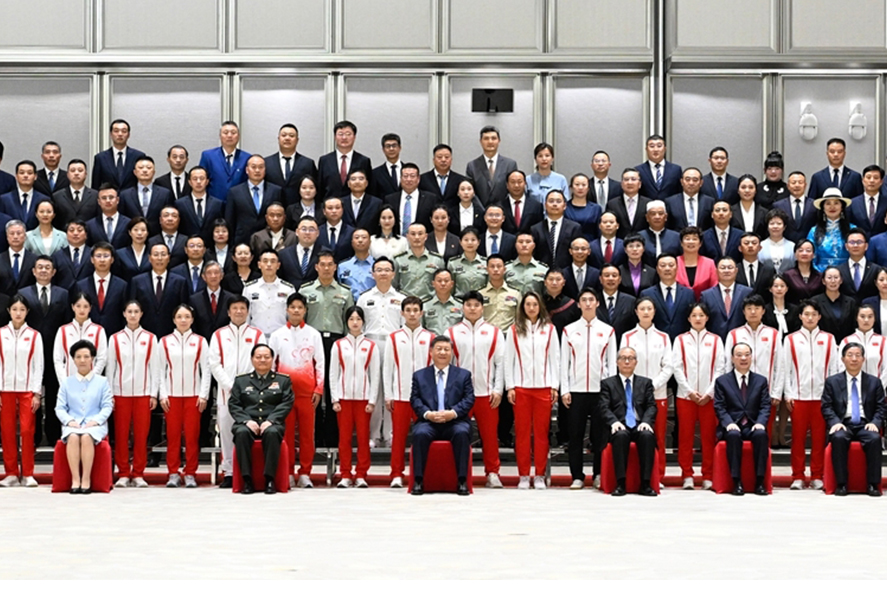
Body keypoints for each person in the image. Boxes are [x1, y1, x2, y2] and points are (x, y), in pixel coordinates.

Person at [447, 291, 505, 488]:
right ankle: (459, 472)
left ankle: (493, 472)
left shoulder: (494, 332)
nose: (472, 308)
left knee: (490, 436)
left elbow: (500, 363)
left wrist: (498, 389)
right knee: (458, 435)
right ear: (462, 307)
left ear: (482, 308)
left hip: (486, 394)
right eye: (468, 305)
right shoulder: (451, 333)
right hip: (460, 396)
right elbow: (446, 364)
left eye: (476, 305)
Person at [560, 288, 617, 490]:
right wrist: (564, 389)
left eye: (591, 299)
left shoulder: (608, 331)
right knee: (575, 435)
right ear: (578, 304)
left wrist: (611, 391)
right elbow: (564, 362)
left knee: (600, 436)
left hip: (600, 391)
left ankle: (599, 473)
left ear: (597, 303)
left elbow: (612, 363)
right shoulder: (569, 330)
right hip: (576, 391)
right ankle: (577, 475)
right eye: (583, 300)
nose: (587, 303)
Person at [504, 291, 560, 490]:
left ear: (540, 307)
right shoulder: (514, 330)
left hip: (543, 388)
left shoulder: (550, 329)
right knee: (522, 433)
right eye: (527, 304)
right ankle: (523, 475)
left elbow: (555, 359)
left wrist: (554, 385)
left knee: (541, 434)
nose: (531, 308)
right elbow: (508, 360)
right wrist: (510, 386)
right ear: (522, 307)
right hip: (521, 388)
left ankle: (539, 475)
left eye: (534, 304)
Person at [268, 293, 324, 489]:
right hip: (284, 395)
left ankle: (305, 472)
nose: (296, 311)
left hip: (307, 393)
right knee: (287, 435)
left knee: (308, 435)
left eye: (300, 307)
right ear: (287, 310)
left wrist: (318, 389)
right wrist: (273, 390)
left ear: (305, 311)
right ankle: (288, 471)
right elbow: (271, 365)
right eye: (293, 307)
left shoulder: (313, 334)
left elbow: (320, 364)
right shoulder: (277, 335)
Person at [208, 296, 264, 488]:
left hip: (252, 394)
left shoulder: (257, 335)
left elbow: (261, 361)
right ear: (228, 312)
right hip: (226, 394)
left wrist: (249, 386)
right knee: (226, 433)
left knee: (250, 432)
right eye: (235, 308)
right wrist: (230, 386)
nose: (239, 311)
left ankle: (249, 472)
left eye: (242, 308)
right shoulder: (218, 335)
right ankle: (229, 472)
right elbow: (214, 364)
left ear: (248, 311)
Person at [784, 299, 839, 490]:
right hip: (798, 397)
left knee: (819, 439)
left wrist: (832, 396)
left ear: (819, 317)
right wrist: (788, 393)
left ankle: (817, 475)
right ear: (800, 316)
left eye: (814, 314)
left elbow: (834, 369)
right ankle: (798, 476)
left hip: (822, 398)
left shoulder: (829, 339)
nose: (810, 318)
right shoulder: (790, 339)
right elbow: (785, 369)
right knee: (798, 439)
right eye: (806, 314)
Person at [409, 335, 473, 496]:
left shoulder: (463, 375)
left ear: (452, 353)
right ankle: (418, 480)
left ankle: (462, 480)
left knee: (462, 432)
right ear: (431, 352)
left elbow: (469, 399)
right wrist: (428, 414)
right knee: (420, 433)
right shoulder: (419, 375)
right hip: (429, 421)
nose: (442, 352)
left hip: (455, 421)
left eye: (446, 349)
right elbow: (415, 399)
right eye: (439, 349)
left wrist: (453, 413)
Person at [105, 300, 160, 488]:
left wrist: (153, 394)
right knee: (121, 435)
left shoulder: (151, 338)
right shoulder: (115, 339)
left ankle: (138, 473)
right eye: (129, 311)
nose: (133, 315)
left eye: (136, 311)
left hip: (143, 394)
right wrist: (110, 394)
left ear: (142, 314)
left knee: (141, 435)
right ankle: (122, 473)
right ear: (124, 314)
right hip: (120, 393)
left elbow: (155, 368)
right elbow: (110, 368)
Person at [228, 343, 294, 494]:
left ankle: (270, 479)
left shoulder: (283, 380)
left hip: (272, 422)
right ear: (252, 359)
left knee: (272, 433)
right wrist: (246, 421)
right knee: (241, 433)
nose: (262, 360)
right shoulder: (241, 381)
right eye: (258, 357)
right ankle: (247, 480)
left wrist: (271, 420)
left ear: (272, 359)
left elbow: (286, 403)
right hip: (247, 422)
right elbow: (234, 404)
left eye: (266, 357)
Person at [821, 342, 886, 496]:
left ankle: (872, 484)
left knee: (874, 439)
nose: (854, 359)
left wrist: (875, 422)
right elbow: (826, 406)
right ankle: (842, 484)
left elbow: (881, 407)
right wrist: (835, 422)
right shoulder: (832, 381)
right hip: (843, 423)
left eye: (858, 355)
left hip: (865, 423)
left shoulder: (874, 382)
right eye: (850, 355)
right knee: (838, 438)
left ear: (863, 359)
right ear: (843, 359)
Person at [672, 302, 725, 490]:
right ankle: (687, 474)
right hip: (685, 397)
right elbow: (676, 367)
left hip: (709, 398)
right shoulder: (680, 340)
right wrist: (689, 391)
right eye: (694, 315)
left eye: (701, 315)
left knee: (708, 438)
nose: (697, 318)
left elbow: (720, 368)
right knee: (685, 437)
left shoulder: (716, 340)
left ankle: (708, 475)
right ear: (688, 318)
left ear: (707, 318)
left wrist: (710, 392)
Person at [383, 296, 434, 487]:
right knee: (398, 437)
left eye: (415, 310)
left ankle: (423, 472)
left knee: (425, 436)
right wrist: (388, 394)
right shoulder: (393, 338)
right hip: (400, 395)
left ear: (422, 313)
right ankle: (396, 473)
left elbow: (435, 369)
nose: (412, 314)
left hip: (424, 399)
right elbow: (387, 368)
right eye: (408, 310)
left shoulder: (430, 338)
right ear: (402, 313)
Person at [621, 296, 673, 484]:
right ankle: (634, 475)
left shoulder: (663, 337)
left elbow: (668, 366)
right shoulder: (627, 337)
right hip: (632, 396)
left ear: (654, 312)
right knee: (634, 436)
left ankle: (657, 476)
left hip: (658, 395)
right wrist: (638, 388)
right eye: (642, 308)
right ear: (636, 312)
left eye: (649, 308)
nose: (645, 312)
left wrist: (652, 386)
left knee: (658, 437)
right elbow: (624, 364)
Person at [159, 304, 211, 488]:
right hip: (171, 396)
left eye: (187, 316)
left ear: (192, 319)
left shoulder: (200, 341)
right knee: (172, 436)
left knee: (191, 436)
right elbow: (160, 370)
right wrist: (162, 394)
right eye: (179, 316)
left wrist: (203, 395)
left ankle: (190, 473)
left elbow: (206, 370)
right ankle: (173, 473)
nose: (183, 320)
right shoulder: (165, 342)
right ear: (174, 319)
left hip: (193, 396)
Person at [357, 257, 406, 448]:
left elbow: (404, 326)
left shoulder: (401, 299)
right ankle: (374, 434)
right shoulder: (364, 298)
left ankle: (390, 433)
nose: (383, 273)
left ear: (393, 273)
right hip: (371, 344)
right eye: (379, 270)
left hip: (394, 344)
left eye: (387, 270)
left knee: (392, 388)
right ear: (373, 274)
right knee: (373, 390)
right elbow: (359, 325)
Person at [54, 340, 114, 494]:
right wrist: (69, 421)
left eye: (86, 356)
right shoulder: (66, 383)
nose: (82, 360)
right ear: (73, 360)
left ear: (92, 359)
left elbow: (107, 406)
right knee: (73, 437)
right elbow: (60, 408)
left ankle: (86, 479)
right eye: (78, 357)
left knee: (87, 437)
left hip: (95, 424)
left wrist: (96, 420)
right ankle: (75, 479)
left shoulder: (102, 382)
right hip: (73, 423)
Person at [330, 306, 380, 488]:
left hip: (363, 399)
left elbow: (375, 375)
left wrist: (372, 400)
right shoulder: (339, 345)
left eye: (358, 319)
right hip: (343, 399)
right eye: (351, 319)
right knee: (344, 439)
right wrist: (335, 398)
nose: (355, 322)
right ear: (346, 322)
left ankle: (361, 474)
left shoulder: (371, 346)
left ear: (363, 321)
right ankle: (345, 473)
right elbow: (333, 373)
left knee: (363, 438)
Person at [713, 342, 771, 496]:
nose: (743, 358)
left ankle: (760, 482)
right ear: (732, 358)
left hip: (753, 425)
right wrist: (728, 423)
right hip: (733, 425)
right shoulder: (722, 381)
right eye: (739, 355)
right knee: (733, 435)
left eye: (747, 355)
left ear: (752, 357)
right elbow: (719, 407)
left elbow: (765, 405)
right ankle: (736, 481)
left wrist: (760, 423)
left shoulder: (761, 381)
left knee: (761, 435)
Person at [599, 347, 658, 496]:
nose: (627, 361)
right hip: (619, 425)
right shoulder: (608, 383)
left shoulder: (645, 383)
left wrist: (646, 421)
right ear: (617, 362)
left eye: (630, 358)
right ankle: (620, 483)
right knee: (621, 436)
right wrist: (613, 422)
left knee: (647, 436)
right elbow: (603, 407)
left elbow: (651, 406)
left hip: (639, 424)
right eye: (623, 358)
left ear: (636, 362)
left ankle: (645, 484)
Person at [724, 295, 784, 439]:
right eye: (749, 308)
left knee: (764, 433)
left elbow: (780, 364)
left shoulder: (773, 334)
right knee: (737, 434)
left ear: (763, 311)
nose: (753, 312)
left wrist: (776, 392)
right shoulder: (734, 334)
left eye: (757, 308)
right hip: (739, 394)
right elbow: (727, 365)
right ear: (743, 312)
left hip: (766, 393)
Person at [0, 296, 44, 487]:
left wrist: (36, 392)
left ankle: (27, 473)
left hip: (27, 391)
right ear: (8, 311)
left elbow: (38, 365)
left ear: (27, 312)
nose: (18, 313)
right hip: (5, 390)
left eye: (22, 309)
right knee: (7, 431)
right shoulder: (1, 334)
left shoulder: (34, 335)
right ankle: (11, 473)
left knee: (27, 431)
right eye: (15, 309)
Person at [128, 242, 189, 338]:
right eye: (156, 254)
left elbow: (183, 309)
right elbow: (132, 307)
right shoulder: (137, 281)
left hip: (171, 334)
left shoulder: (180, 282)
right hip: (144, 333)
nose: (159, 258)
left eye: (163, 254)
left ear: (168, 258)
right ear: (149, 258)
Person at [224, 154, 283, 246]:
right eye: (253, 167)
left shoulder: (276, 191)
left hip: (268, 241)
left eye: (261, 167)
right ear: (247, 170)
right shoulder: (234, 192)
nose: (257, 170)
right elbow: (230, 221)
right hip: (242, 242)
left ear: (265, 170)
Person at [53, 293, 108, 383]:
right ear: (72, 307)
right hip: (69, 382)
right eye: (78, 306)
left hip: (91, 383)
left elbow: (102, 359)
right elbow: (58, 359)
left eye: (85, 306)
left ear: (90, 308)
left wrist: (92, 380)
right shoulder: (63, 330)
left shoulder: (99, 330)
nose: (82, 310)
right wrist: (64, 382)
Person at [640, 253, 696, 341]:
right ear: (657, 269)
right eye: (663, 265)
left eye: (671, 265)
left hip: (683, 341)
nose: (667, 269)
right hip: (656, 342)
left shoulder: (688, 293)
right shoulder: (647, 294)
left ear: (677, 268)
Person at [263, 123, 318, 208]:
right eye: (284, 135)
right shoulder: (266, 162)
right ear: (278, 138)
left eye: (291, 136)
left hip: (299, 211)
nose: (287, 138)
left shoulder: (308, 163)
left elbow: (316, 189)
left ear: (297, 140)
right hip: (273, 211)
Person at [242, 249, 295, 336]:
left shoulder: (288, 289)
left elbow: (292, 316)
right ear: (259, 265)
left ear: (278, 265)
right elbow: (246, 315)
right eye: (265, 261)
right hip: (256, 336)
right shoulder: (249, 288)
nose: (269, 264)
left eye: (273, 261)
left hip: (282, 336)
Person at [317, 120, 373, 201]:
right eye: (340, 134)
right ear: (335, 137)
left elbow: (369, 188)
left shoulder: (364, 161)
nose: (344, 137)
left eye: (348, 134)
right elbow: (320, 188)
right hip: (331, 205)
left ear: (354, 137)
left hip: (355, 205)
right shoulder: (324, 160)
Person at [699, 257, 752, 341]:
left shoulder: (747, 292)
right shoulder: (706, 295)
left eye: (730, 267)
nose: (726, 271)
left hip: (742, 340)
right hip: (714, 341)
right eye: (723, 268)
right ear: (716, 271)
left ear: (736, 270)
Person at [118, 155, 174, 234]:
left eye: (148, 168)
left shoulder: (165, 194)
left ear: (154, 172)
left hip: (157, 236)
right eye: (141, 168)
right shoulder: (125, 195)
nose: (144, 170)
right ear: (135, 172)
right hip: (133, 236)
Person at [199, 120, 251, 202]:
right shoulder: (208, 156)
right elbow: (201, 180)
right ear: (220, 136)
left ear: (239, 136)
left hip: (239, 203)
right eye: (225, 133)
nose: (229, 136)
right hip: (214, 204)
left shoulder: (247, 158)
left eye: (233, 133)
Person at [466, 126, 518, 207]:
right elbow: (470, 192)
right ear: (480, 141)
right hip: (480, 211)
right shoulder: (472, 166)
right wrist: (482, 210)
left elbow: (513, 190)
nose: (490, 142)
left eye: (493, 138)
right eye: (486, 138)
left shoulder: (510, 164)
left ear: (499, 141)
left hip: (504, 211)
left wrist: (500, 209)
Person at [530, 189, 582, 270]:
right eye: (551, 201)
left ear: (564, 206)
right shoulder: (535, 229)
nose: (554, 204)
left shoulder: (574, 228)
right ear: (545, 205)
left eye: (558, 201)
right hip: (541, 272)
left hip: (566, 272)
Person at [393, 223, 443, 301]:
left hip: (429, 302)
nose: (416, 237)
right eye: (413, 234)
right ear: (407, 237)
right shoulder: (398, 260)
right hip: (405, 302)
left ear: (426, 236)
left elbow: (442, 285)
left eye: (420, 234)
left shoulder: (437, 260)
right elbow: (393, 285)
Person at [808, 187, 854, 272]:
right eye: (828, 203)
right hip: (821, 273)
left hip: (847, 272)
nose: (832, 207)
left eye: (836, 203)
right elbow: (810, 256)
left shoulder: (852, 229)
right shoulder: (814, 231)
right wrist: (819, 274)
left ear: (842, 207)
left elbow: (857, 255)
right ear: (823, 208)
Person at [175, 166, 224, 246]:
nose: (198, 182)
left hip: (210, 247)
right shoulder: (180, 204)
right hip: (188, 247)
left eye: (202, 178)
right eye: (195, 179)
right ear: (189, 182)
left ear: (207, 181)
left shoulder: (218, 204)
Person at [91, 119, 144, 191]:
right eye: (116, 131)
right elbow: (95, 186)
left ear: (128, 135)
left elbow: (143, 182)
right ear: (111, 134)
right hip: (109, 197)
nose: (120, 134)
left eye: (124, 131)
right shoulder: (100, 158)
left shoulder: (138, 156)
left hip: (132, 197)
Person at [839, 304, 887, 384]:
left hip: (878, 388)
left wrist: (878, 386)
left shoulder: (883, 341)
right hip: (852, 387)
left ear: (875, 319)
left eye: (870, 316)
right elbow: (841, 367)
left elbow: (886, 369)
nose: (866, 320)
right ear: (856, 318)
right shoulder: (846, 341)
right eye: (862, 316)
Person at [811, 266, 856, 342]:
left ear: (841, 280)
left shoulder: (851, 302)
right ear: (823, 281)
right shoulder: (815, 301)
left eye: (836, 277)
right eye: (829, 278)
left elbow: (853, 326)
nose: (833, 281)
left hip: (846, 344)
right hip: (822, 343)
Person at [52, 159, 98, 231]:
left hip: (90, 235)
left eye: (80, 170)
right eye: (73, 170)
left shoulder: (95, 195)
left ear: (86, 174)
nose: (76, 173)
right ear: (67, 174)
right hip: (64, 235)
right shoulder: (57, 196)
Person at [665, 167, 715, 232]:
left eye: (695, 180)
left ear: (701, 183)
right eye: (687, 179)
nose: (691, 183)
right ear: (681, 182)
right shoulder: (670, 202)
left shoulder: (709, 202)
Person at [420, 144, 469, 209]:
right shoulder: (422, 179)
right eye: (439, 157)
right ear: (433, 160)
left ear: (451, 160)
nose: (443, 160)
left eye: (447, 157)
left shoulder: (461, 180)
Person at [635, 135, 682, 201]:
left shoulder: (676, 170)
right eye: (652, 146)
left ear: (665, 149)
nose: (655, 149)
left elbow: (680, 193)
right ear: (646, 149)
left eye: (659, 146)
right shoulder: (638, 170)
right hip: (646, 206)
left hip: (669, 206)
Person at [838, 229, 881, 301]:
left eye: (859, 242)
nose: (855, 245)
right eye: (852, 242)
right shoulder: (839, 270)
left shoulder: (876, 270)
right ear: (846, 246)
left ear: (866, 246)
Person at [676, 226, 718, 299]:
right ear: (681, 243)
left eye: (694, 239)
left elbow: (714, 288)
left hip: (704, 304)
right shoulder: (674, 262)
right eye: (687, 239)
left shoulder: (709, 263)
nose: (691, 242)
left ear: (700, 243)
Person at [86, 184, 131, 250]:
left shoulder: (128, 223)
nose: (108, 201)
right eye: (104, 198)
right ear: (99, 201)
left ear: (117, 200)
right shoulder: (90, 225)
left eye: (111, 197)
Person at [607, 168, 650, 238]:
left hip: (643, 242)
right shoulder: (612, 204)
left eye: (633, 179)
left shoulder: (648, 203)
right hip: (620, 243)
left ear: (639, 184)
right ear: (621, 184)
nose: (630, 182)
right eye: (626, 179)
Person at [845, 164, 886, 237]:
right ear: (863, 180)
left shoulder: (885, 202)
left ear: (881, 182)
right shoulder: (852, 203)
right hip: (859, 242)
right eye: (868, 177)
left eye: (876, 178)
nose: (872, 181)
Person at [500, 170, 544, 234]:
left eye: (519, 182)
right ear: (507, 185)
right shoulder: (500, 206)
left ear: (525, 184)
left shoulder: (536, 206)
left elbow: (539, 230)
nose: (516, 185)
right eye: (513, 182)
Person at [337, 228, 375, 301]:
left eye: (364, 237)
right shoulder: (342, 266)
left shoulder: (377, 265)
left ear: (370, 242)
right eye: (357, 238)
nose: (360, 240)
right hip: (349, 304)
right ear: (352, 242)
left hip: (371, 303)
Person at [447, 227, 487, 295]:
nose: (469, 243)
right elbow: (450, 289)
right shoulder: (453, 263)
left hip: (481, 300)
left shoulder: (486, 263)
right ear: (460, 242)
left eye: (473, 240)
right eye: (466, 240)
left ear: (479, 242)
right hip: (460, 300)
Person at [341, 169, 383, 234]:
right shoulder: (340, 202)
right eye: (353, 179)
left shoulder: (377, 203)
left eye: (361, 179)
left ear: (366, 183)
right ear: (348, 184)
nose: (357, 182)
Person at [423, 269, 462, 336]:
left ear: (452, 284)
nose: (443, 283)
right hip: (432, 341)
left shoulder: (460, 306)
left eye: (446, 281)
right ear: (433, 284)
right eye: (439, 281)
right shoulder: (425, 306)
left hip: (453, 341)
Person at [735, 232, 775, 298]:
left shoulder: (769, 270)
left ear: (760, 248)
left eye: (754, 243)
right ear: (740, 248)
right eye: (746, 243)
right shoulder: (734, 270)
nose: (750, 246)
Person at [565, 173, 602, 242]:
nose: (580, 188)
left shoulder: (596, 208)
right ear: (571, 187)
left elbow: (599, 231)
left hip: (591, 244)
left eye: (584, 185)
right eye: (577, 184)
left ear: (588, 188)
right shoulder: (564, 207)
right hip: (569, 244)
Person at [316, 198, 355, 263]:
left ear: (342, 210)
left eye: (337, 208)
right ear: (324, 211)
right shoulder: (317, 231)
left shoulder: (352, 231)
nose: (334, 211)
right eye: (330, 208)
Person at [542, 268, 580, 334]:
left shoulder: (571, 305)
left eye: (558, 279)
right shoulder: (538, 303)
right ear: (545, 282)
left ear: (564, 282)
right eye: (551, 279)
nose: (554, 283)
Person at [759, 208, 795, 275]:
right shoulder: (760, 246)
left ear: (784, 227)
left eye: (779, 223)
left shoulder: (792, 246)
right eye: (772, 223)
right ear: (767, 227)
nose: (775, 226)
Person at [374, 133, 404, 199]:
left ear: (400, 148)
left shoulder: (409, 171)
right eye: (388, 146)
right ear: (383, 150)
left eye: (394, 146)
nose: (391, 149)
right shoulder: (375, 173)